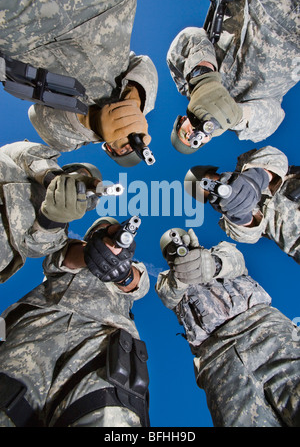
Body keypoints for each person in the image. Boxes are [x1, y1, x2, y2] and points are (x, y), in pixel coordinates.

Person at [0, 216, 150, 427]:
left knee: (109, 418)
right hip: (37, 328)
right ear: (91, 235)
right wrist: (91, 253)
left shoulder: (134, 265)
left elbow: (137, 284)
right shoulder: (68, 247)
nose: (108, 232)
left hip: (101, 342)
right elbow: (62, 258)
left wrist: (122, 272)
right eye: (102, 229)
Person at [0, 0, 158, 167]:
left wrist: (91, 122)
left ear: (109, 149)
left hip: (23, 33)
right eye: (132, 147)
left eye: (123, 150)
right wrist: (137, 99)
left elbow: (39, 117)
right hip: (101, 1)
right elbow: (143, 63)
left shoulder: (68, 140)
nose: (129, 145)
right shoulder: (143, 105)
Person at [156, 227, 300, 427]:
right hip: (218, 361)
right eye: (171, 249)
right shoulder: (165, 280)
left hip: (266, 332)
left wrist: (212, 264)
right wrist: (181, 274)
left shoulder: (223, 249)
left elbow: (235, 260)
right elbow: (168, 294)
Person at [167, 0, 300, 154]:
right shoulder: (244, 127)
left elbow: (189, 38)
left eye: (184, 133)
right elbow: (274, 116)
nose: (192, 134)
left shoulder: (186, 81)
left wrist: (203, 81)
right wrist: (237, 116)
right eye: (195, 142)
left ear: (182, 120)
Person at [0, 140, 106, 283]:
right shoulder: (35, 162)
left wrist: (55, 219)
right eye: (81, 174)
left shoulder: (58, 237)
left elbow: (34, 247)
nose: (80, 186)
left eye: (90, 196)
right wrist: (53, 176)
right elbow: (20, 151)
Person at [184, 145, 300, 264]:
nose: (213, 187)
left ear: (215, 173)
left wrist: (256, 177)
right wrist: (240, 216)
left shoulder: (246, 164)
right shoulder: (229, 219)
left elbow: (277, 157)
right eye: (206, 192)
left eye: (208, 181)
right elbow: (249, 236)